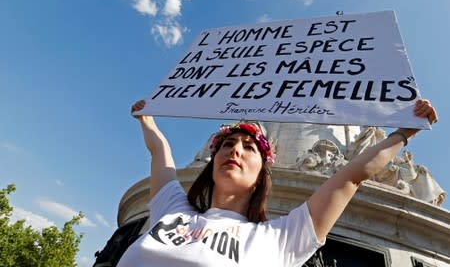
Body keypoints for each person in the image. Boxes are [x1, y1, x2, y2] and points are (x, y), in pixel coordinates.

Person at [117, 99, 438, 267]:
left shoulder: (280, 239)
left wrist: (404, 133)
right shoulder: (172, 209)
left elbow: (352, 176)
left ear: (262, 174)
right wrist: (147, 119)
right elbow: (160, 151)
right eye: (227, 145)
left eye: (248, 147)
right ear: (212, 161)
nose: (234, 150)